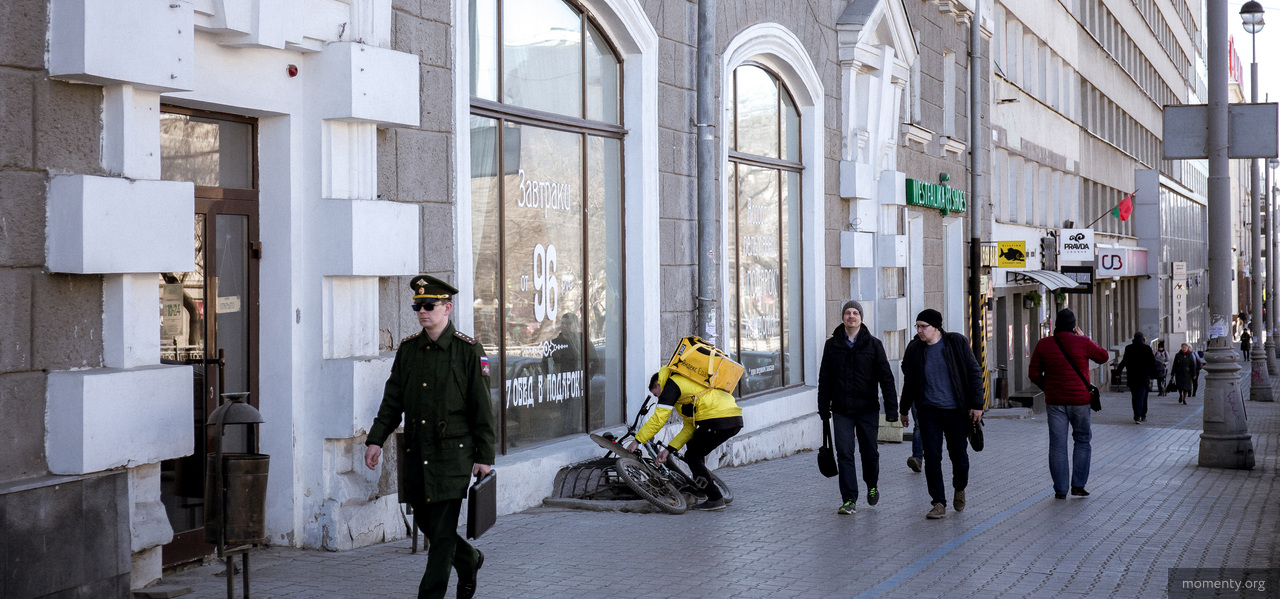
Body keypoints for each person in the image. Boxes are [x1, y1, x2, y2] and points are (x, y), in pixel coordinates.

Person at [364, 275, 496, 599]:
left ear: (447, 308)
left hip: (454, 455)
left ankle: (430, 594)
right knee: (430, 523)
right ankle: (469, 560)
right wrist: (375, 439)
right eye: (417, 305)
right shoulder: (409, 350)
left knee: (441, 533)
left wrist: (485, 457)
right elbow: (393, 400)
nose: (422, 311)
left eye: (429, 305)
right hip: (417, 452)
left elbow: (482, 408)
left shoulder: (469, 351)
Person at [899, 309, 984, 520]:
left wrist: (977, 404)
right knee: (932, 457)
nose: (919, 330)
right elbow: (909, 381)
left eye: (923, 326)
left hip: (956, 411)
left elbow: (973, 373)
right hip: (929, 411)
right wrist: (903, 409)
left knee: (959, 456)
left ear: (936, 327)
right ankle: (938, 503)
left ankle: (959, 487)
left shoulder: (956, 343)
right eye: (917, 326)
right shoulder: (915, 349)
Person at [817, 300, 898, 514]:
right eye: (847, 313)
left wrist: (891, 410)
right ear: (843, 317)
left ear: (861, 317)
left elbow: (886, 378)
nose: (851, 316)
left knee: (869, 452)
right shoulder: (832, 345)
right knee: (844, 453)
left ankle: (872, 485)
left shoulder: (873, 344)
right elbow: (824, 378)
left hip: (867, 409)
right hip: (841, 410)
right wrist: (823, 408)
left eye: (855, 313)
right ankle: (849, 499)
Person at [626, 366, 743, 511]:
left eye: (656, 394)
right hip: (733, 419)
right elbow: (689, 428)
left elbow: (658, 419)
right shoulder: (685, 393)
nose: (658, 398)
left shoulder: (672, 385)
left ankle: (715, 498)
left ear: (658, 384)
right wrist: (668, 450)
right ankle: (702, 487)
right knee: (694, 447)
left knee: (692, 456)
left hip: (718, 419)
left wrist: (637, 441)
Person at [1028, 308, 1109, 500]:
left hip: (1055, 401)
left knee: (1057, 445)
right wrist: (1085, 337)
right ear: (1074, 326)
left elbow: (1033, 373)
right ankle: (1078, 485)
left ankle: (1061, 490)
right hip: (1079, 401)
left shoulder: (1043, 344)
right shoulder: (1082, 342)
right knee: (1082, 440)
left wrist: (1048, 387)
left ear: (1056, 325)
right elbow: (1103, 356)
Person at [1115, 332, 1156, 424]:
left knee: (1135, 397)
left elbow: (1124, 361)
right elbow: (1152, 362)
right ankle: (1142, 415)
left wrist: (1118, 372)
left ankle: (1136, 415)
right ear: (1143, 339)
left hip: (1132, 377)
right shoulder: (1147, 348)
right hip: (1144, 377)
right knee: (1143, 396)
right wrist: (1153, 374)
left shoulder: (1129, 348)